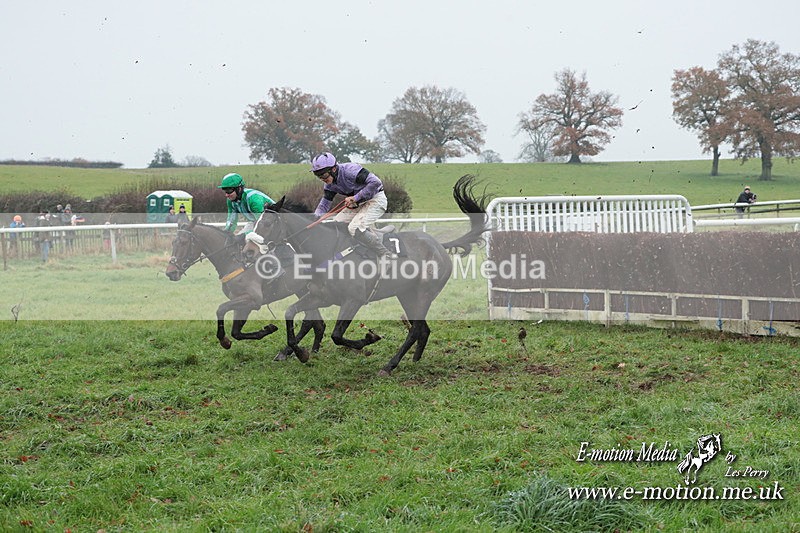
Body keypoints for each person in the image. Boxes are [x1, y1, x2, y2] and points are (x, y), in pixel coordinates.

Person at [310, 152, 394, 258]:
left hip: (376, 200)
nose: (322, 179)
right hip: (358, 204)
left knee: (354, 228)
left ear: (334, 169)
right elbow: (325, 203)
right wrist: (314, 218)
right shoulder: (329, 185)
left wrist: (355, 198)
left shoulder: (350, 170)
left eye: (324, 175)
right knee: (337, 224)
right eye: (318, 176)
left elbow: (376, 182)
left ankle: (386, 254)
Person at [218, 173, 275, 242]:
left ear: (239, 189)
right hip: (255, 222)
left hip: (272, 224)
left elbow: (261, 225)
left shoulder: (254, 200)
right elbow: (231, 221)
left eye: (229, 191)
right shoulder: (230, 201)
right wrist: (225, 235)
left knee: (245, 239)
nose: (227, 195)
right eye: (225, 191)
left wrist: (243, 236)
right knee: (235, 242)